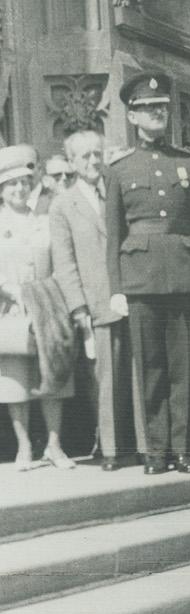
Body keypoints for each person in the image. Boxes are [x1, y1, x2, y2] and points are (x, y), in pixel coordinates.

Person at [104, 73, 190, 476]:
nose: (158, 114)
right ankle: (155, 452)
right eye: (150, 109)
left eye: (163, 108)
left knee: (183, 368)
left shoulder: (189, 162)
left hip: (183, 275)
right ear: (132, 116)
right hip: (140, 280)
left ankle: (183, 449)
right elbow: (114, 233)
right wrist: (116, 288)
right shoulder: (118, 169)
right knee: (150, 369)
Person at [48, 130, 139, 472]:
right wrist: (78, 307)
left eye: (97, 154)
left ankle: (139, 445)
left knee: (135, 372)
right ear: (71, 162)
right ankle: (111, 449)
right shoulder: (63, 204)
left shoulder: (116, 195)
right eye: (84, 156)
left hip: (129, 296)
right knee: (105, 379)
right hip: (94, 301)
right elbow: (65, 262)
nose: (93, 161)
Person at [0, 145, 81, 471]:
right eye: (11, 184)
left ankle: (54, 445)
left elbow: (61, 260)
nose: (19, 189)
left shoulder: (46, 221)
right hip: (12, 307)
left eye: (24, 182)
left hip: (47, 306)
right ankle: (24, 448)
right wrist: (11, 292)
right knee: (16, 379)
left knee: (54, 375)